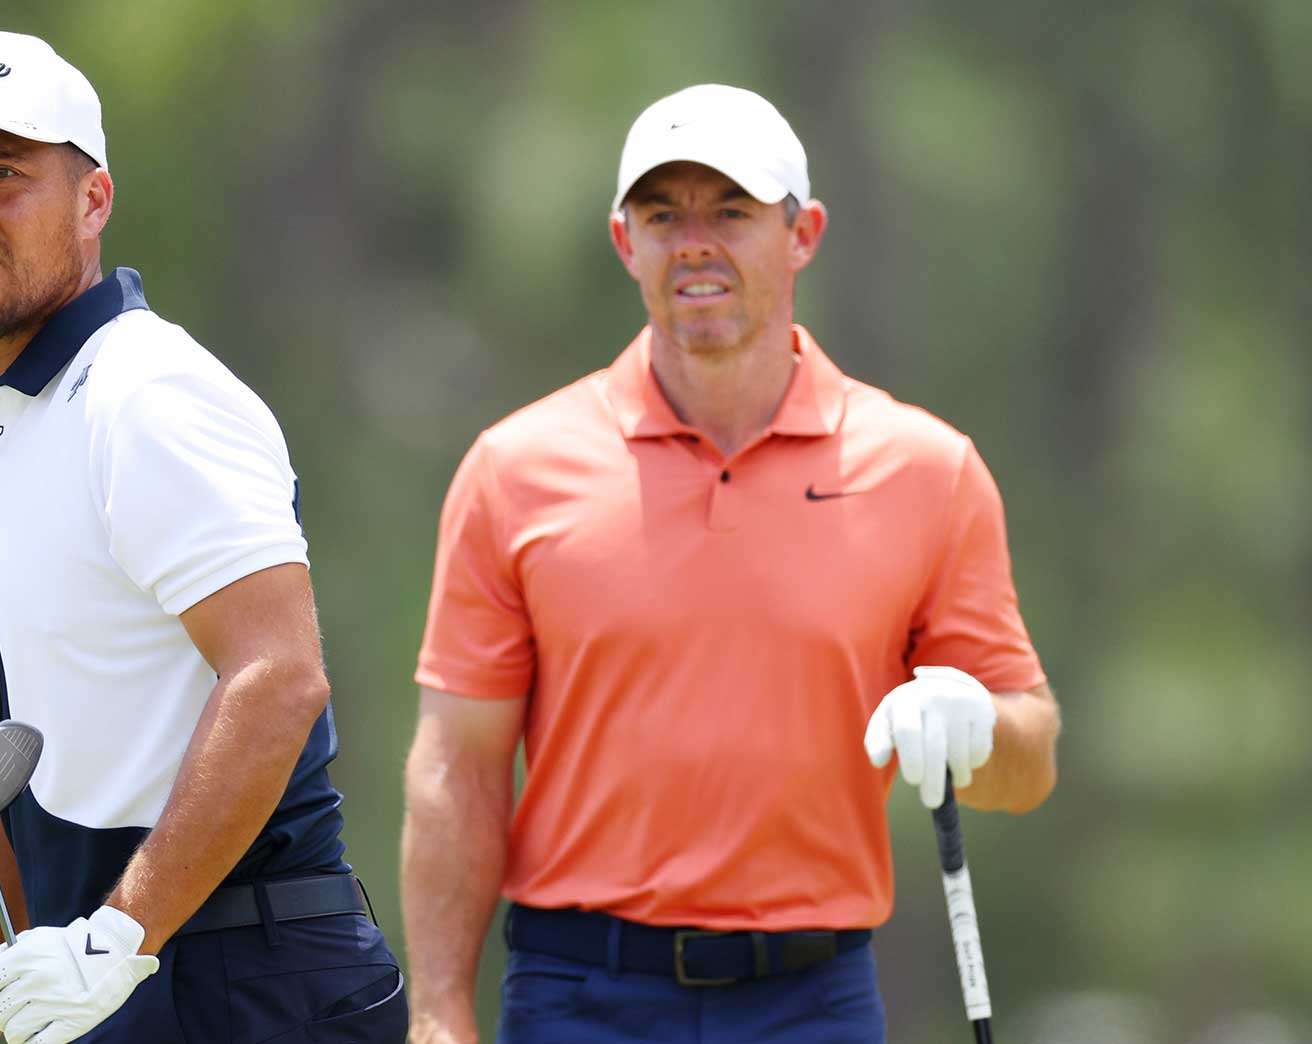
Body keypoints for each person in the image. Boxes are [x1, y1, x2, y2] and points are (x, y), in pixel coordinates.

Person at [401, 84, 1061, 1044]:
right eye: (664, 214)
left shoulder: (927, 470)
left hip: (813, 999)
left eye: (733, 212)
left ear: (804, 235)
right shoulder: (516, 468)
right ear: (625, 242)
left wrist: (975, 726)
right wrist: (438, 1012)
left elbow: (1028, 768)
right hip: (578, 994)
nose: (695, 242)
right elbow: (458, 764)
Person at [0, 28, 406, 1044]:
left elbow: (278, 677)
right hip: (110, 983)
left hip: (249, 987)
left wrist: (117, 937)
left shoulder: (144, 395)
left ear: (92, 199)